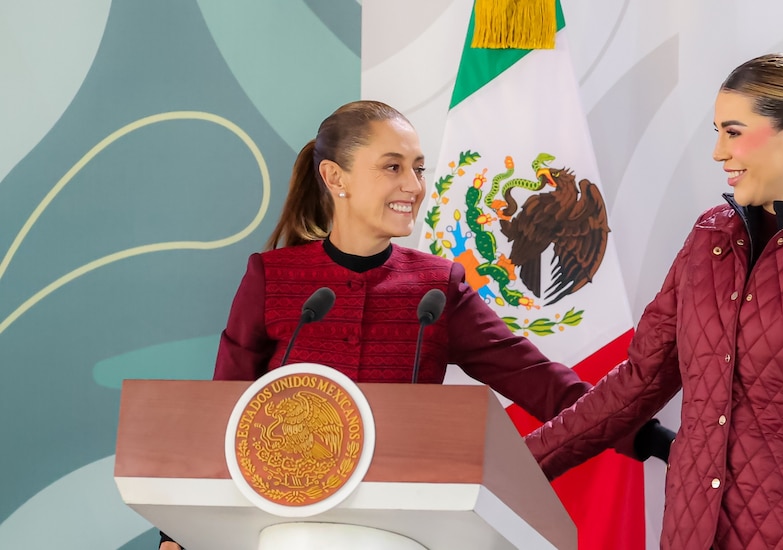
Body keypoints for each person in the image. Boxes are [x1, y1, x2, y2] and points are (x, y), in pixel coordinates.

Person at [159, 100, 673, 549]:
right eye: (392, 167)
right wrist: (175, 528)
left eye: (419, 168)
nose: (414, 186)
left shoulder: (438, 287)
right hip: (287, 525)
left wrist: (653, 438)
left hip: (402, 531)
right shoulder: (273, 277)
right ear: (335, 178)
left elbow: (540, 381)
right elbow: (225, 405)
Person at [524, 53, 783, 549]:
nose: (719, 151)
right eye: (717, 132)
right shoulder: (708, 240)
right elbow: (635, 384)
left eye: (733, 132)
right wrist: (518, 465)